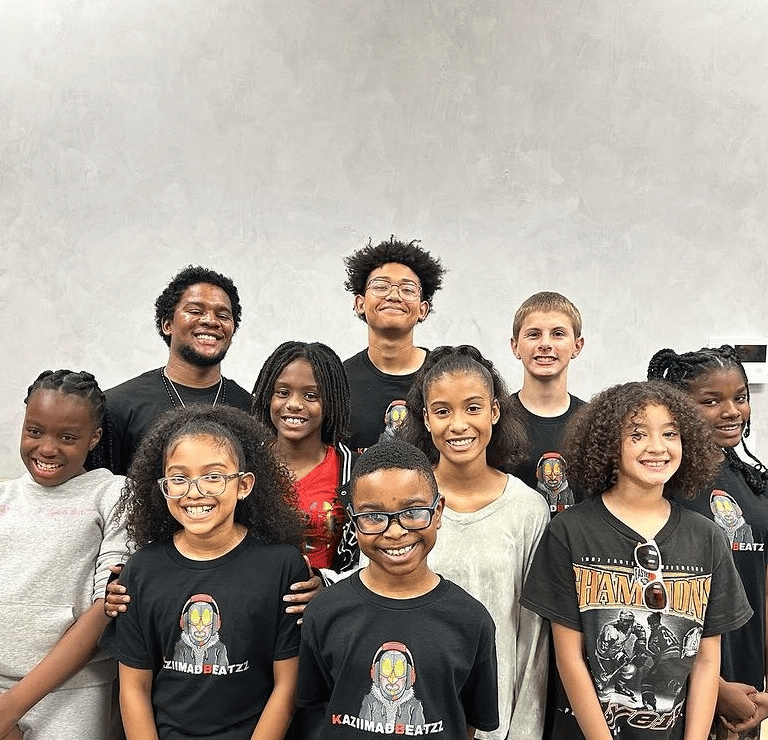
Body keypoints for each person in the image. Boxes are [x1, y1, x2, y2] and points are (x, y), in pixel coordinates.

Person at [521, 381, 752, 740]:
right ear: (609, 445)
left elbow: (707, 660)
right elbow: (569, 657)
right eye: (638, 435)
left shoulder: (707, 537)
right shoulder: (569, 532)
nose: (657, 447)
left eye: (670, 433)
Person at [100, 406, 307, 740]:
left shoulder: (282, 566)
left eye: (213, 476)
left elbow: (287, 686)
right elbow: (134, 688)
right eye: (179, 478)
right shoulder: (141, 570)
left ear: (244, 485)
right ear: (163, 486)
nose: (194, 491)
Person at [296, 440, 499, 739]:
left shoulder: (471, 621)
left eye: (413, 512)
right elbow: (316, 710)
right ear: (353, 520)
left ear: (438, 511)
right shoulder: (324, 612)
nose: (395, 531)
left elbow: (467, 723)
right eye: (373, 517)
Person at [398, 344, 550, 740]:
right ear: (426, 418)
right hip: (412, 715)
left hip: (495, 725)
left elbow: (533, 639)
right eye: (442, 411)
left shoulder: (527, 509)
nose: (458, 425)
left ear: (494, 411)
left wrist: (523, 733)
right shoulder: (405, 500)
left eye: (473, 408)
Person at [0, 369, 130, 740]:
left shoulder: (113, 494)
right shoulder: (4, 497)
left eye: (67, 437)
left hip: (75, 691)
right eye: (34, 431)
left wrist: (12, 706)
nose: (47, 448)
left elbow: (107, 606)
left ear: (94, 438)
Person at [648, 345, 768, 739]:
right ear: (679, 409)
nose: (732, 411)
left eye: (740, 398)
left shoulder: (756, 485)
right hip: (679, 687)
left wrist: (763, 694)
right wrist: (715, 688)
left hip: (748, 690)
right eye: (711, 401)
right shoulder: (663, 485)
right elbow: (646, 600)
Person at [106, 265, 253, 476]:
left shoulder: (250, 409)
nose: (211, 321)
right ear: (167, 324)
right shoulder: (117, 406)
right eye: (195, 311)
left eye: (223, 315)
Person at [251, 341, 357, 573]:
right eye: (283, 393)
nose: (294, 404)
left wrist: (326, 583)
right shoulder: (247, 465)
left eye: (311, 396)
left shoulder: (352, 471)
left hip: (328, 594)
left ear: (331, 402)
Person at [342, 236, 446, 453]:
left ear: (423, 309)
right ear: (360, 303)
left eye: (407, 289)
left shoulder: (446, 376)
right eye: (381, 286)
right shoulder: (339, 381)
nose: (393, 295)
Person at [510, 291, 585, 514]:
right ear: (515, 346)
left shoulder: (594, 422)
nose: (545, 344)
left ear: (577, 346)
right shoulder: (496, 419)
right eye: (533, 334)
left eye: (558, 334)